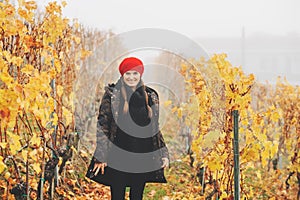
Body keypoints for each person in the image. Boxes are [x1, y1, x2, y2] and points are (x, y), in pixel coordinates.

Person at [86, 57, 169, 200]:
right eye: (128, 74)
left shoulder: (150, 95)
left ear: (140, 74)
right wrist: (101, 155)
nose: (131, 77)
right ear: (122, 75)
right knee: (117, 196)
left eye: (135, 73)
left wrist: (163, 153)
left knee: (137, 196)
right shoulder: (113, 94)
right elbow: (103, 126)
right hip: (118, 156)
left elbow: (154, 128)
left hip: (142, 156)